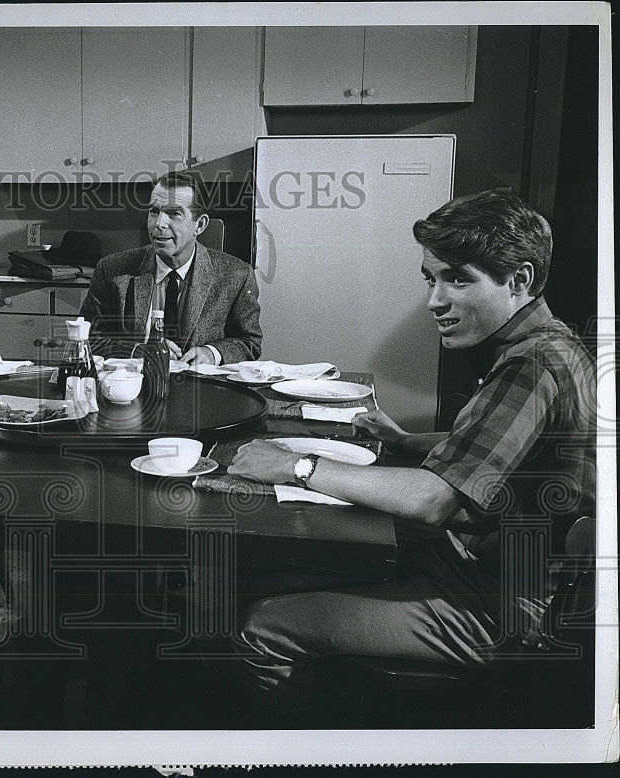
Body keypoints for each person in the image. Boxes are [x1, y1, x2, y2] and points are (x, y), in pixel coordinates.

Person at [227, 190, 596, 719]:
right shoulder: (551, 345)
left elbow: (432, 501)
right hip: (495, 575)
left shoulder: (530, 365)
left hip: (505, 607)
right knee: (283, 574)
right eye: (431, 279)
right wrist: (407, 442)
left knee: (263, 624)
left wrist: (295, 466)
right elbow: (505, 454)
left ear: (519, 280)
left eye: (457, 279)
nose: (434, 301)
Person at [79, 171, 262, 365]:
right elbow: (87, 339)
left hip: (201, 390)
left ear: (199, 225)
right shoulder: (112, 270)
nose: (159, 224)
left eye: (174, 214)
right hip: (135, 389)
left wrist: (213, 352)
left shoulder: (235, 275)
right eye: (154, 211)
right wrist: (138, 350)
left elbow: (249, 342)